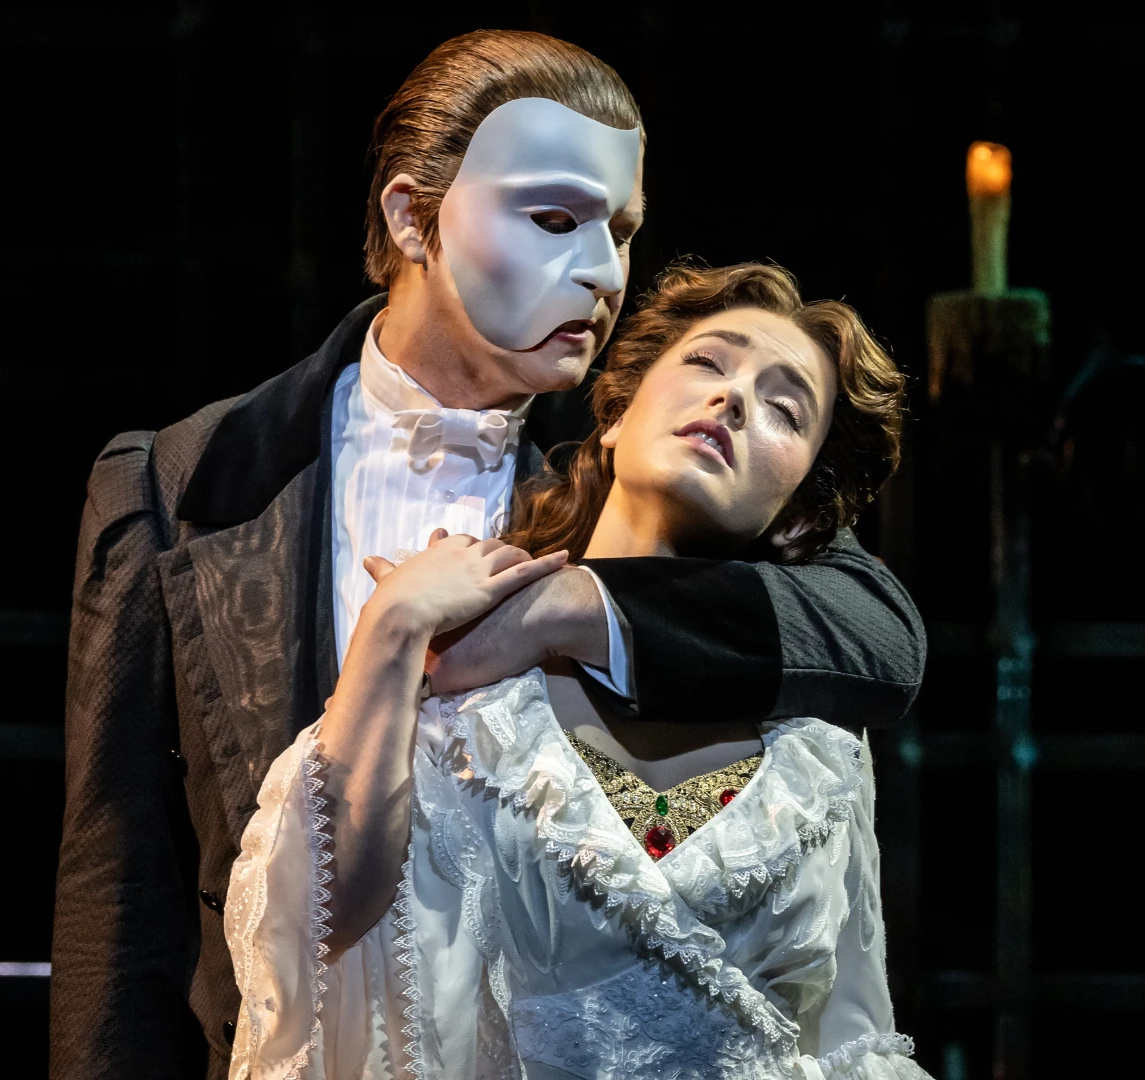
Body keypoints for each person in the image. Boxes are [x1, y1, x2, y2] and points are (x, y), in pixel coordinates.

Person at [50, 31, 925, 1080]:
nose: (602, 274)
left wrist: (573, 602)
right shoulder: (187, 481)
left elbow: (881, 631)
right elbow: (119, 895)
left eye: (622, 230)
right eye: (554, 220)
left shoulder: (631, 457)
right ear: (411, 216)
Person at [228, 261, 928, 1080]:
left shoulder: (818, 743)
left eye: (783, 408)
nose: (734, 399)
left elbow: (855, 1041)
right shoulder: (467, 685)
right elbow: (316, 943)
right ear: (616, 417)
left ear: (801, 510)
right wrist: (391, 633)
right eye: (709, 363)